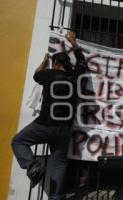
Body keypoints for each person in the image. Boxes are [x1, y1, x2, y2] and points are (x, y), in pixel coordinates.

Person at [11, 32, 86, 200]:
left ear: (56, 63)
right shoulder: (75, 77)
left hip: (43, 125)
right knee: (59, 163)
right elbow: (82, 62)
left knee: (18, 141)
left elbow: (36, 74)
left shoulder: (48, 75)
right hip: (64, 130)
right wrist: (73, 43)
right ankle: (56, 197)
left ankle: (32, 166)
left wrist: (44, 63)